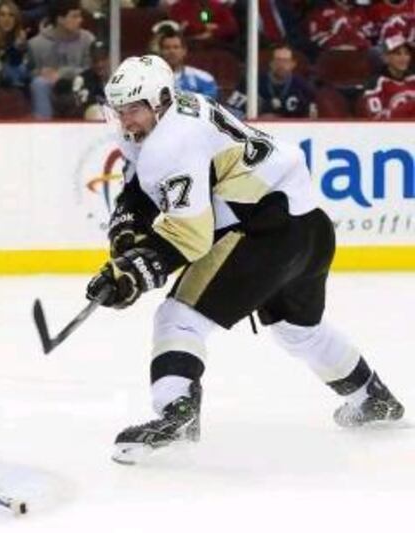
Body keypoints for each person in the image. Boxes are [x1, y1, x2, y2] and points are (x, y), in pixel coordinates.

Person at [85, 55, 404, 463]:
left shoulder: (172, 142)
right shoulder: (179, 111)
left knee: (178, 317)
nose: (126, 120)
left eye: (134, 109)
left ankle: (176, 412)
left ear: (161, 100)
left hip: (263, 235)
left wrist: (134, 272)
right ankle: (372, 397)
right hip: (309, 227)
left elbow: (189, 236)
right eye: (120, 110)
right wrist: (127, 234)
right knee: (298, 330)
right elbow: (138, 187)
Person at [27, 0, 96, 118]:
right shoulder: (36, 44)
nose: (80, 20)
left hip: (79, 86)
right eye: (74, 16)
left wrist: (62, 73)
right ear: (60, 19)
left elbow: (92, 70)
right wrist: (40, 73)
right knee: (39, 83)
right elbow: (29, 73)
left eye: (80, 16)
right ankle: (44, 127)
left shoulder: (88, 40)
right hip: (51, 90)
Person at [226, 43, 316, 118]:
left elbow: (312, 115)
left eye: (285, 61)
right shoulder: (252, 82)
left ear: (292, 64)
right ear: (271, 63)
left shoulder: (302, 86)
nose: (281, 65)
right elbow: (231, 109)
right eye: (278, 60)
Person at [360, 34, 415, 119]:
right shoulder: (375, 83)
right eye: (398, 54)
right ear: (386, 58)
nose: (403, 58)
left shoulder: (412, 79)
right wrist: (410, 106)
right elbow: (376, 118)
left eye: (407, 54)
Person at [157, 28, 219, 100]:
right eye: (167, 48)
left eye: (176, 47)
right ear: (160, 52)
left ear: (184, 51)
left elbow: (208, 106)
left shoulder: (204, 79)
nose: (172, 51)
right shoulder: (149, 78)